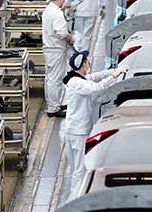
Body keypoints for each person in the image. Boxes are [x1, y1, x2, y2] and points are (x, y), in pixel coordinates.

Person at [63, 50, 123, 199]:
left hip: (74, 129)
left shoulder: (75, 78)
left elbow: (93, 77)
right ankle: (74, 200)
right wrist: (113, 77)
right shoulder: (77, 83)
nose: (88, 63)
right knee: (79, 170)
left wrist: (109, 72)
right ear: (83, 64)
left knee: (76, 169)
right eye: (87, 61)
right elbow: (95, 88)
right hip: (78, 131)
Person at [42, 0, 75, 117]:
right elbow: (61, 33)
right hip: (55, 50)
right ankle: (53, 108)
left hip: (51, 49)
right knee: (55, 79)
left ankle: (57, 102)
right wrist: (71, 38)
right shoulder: (56, 13)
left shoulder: (48, 10)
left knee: (53, 78)